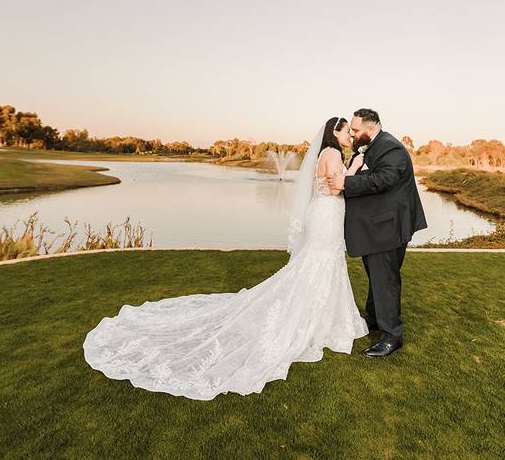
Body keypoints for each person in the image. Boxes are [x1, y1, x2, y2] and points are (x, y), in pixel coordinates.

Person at [83, 116, 369, 399]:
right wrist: (355, 166)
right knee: (319, 263)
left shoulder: (325, 153)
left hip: (324, 215)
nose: (350, 137)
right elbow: (335, 186)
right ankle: (316, 322)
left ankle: (324, 319)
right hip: (326, 215)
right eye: (347, 132)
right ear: (335, 132)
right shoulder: (331, 153)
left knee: (321, 263)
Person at [326, 108, 428, 357]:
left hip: (389, 227)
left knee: (386, 280)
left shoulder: (391, 148)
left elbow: (383, 179)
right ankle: (373, 319)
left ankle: (392, 335)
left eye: (356, 130)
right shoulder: (372, 145)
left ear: (371, 129)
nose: (353, 133)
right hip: (378, 225)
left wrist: (345, 183)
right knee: (377, 276)